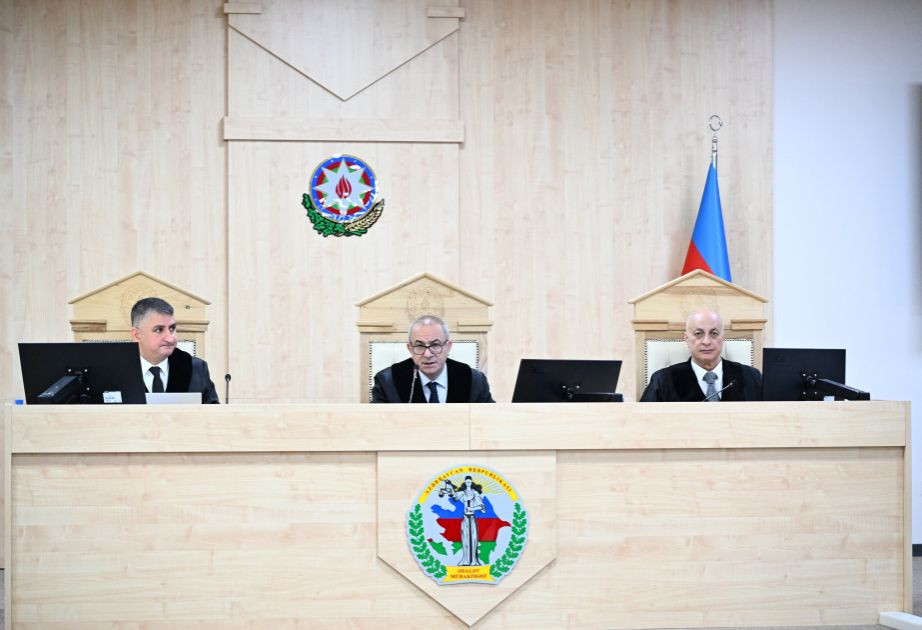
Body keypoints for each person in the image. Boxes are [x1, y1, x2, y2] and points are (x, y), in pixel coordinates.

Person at [640, 308, 762, 402]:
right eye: (698, 334)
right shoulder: (663, 380)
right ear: (686, 339)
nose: (706, 342)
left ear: (722, 338)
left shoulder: (751, 377)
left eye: (714, 333)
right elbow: (644, 421)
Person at [371, 314, 494, 403]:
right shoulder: (388, 382)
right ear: (410, 348)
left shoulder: (474, 381)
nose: (427, 354)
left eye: (435, 345)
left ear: (448, 347)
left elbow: (489, 422)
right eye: (419, 346)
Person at [130, 297, 220, 404]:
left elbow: (214, 412)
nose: (170, 338)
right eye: (159, 330)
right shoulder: (115, 370)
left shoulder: (196, 368)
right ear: (137, 335)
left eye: (172, 328)